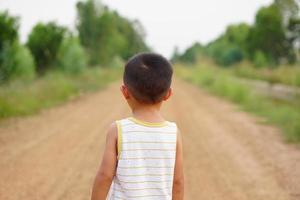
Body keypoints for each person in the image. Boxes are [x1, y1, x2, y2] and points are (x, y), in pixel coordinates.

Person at [91, 53, 184, 200]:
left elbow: (105, 176)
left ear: (125, 92)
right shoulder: (173, 133)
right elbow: (177, 182)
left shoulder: (117, 130)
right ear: (168, 94)